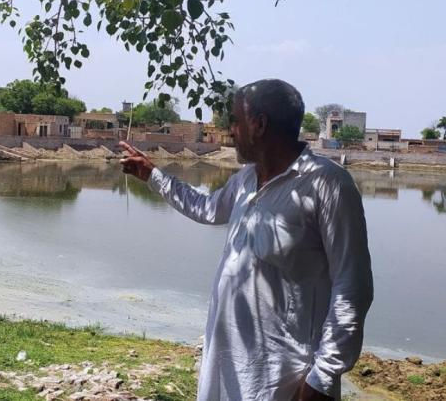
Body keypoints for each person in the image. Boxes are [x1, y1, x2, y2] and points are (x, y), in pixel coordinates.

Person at [120, 79, 373, 401]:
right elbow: (208, 209)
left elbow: (353, 288)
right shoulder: (245, 180)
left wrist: (322, 377)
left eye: (235, 121)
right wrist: (153, 176)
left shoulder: (327, 185)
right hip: (228, 369)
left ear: (259, 125)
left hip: (283, 378)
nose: (230, 130)